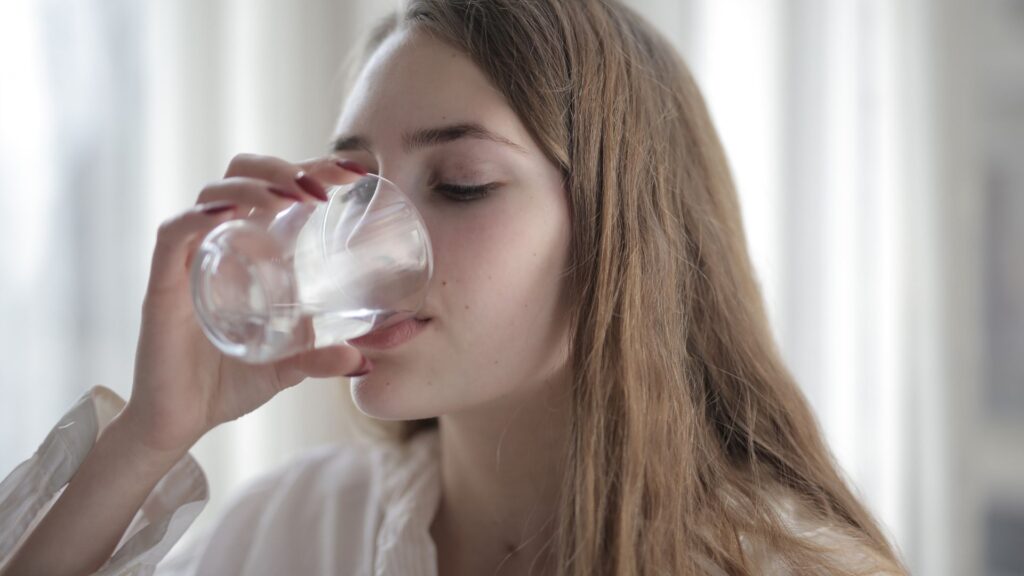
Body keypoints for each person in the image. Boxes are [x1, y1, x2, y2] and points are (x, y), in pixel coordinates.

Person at [0, 0, 909, 574]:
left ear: (621, 237)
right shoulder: (300, 530)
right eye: (353, 190)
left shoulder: (782, 566)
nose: (369, 242)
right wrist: (146, 441)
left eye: (462, 183)